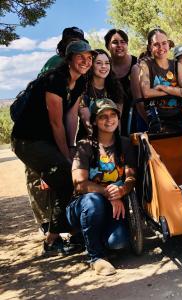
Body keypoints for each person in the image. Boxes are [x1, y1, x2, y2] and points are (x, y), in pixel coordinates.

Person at [11, 40, 96, 255]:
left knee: (66, 179)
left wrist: (71, 147)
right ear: (69, 59)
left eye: (89, 57)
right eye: (80, 57)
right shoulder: (54, 79)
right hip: (27, 140)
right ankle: (54, 239)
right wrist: (66, 156)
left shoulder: (80, 81)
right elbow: (55, 122)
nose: (86, 61)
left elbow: (70, 119)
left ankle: (69, 235)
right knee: (66, 177)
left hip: (46, 141)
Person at [27, 26, 87, 237]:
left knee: (61, 171)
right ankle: (47, 224)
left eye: (78, 41)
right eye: (71, 41)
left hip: (57, 126)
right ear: (64, 46)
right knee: (40, 176)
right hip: (38, 131)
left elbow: (70, 114)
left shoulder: (78, 75)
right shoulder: (56, 65)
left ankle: (62, 223)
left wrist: (69, 146)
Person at [67, 98, 136, 276]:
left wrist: (122, 191)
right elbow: (79, 185)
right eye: (103, 116)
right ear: (95, 121)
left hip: (112, 205)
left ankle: (92, 236)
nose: (109, 119)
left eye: (113, 115)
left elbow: (131, 177)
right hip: (84, 205)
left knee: (118, 243)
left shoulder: (125, 144)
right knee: (93, 201)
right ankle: (95, 257)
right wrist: (108, 193)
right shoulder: (85, 146)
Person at [138, 28, 182, 132]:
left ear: (168, 45)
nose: (161, 47)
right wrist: (176, 91)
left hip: (178, 117)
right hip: (156, 119)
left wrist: (162, 87)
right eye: (156, 44)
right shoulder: (145, 64)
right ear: (150, 47)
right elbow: (147, 93)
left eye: (164, 43)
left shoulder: (176, 65)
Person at [78, 49, 124, 138]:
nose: (104, 66)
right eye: (99, 63)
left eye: (107, 63)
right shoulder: (83, 88)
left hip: (112, 139)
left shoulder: (115, 88)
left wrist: (117, 142)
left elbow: (117, 121)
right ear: (91, 65)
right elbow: (87, 123)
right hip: (88, 139)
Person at [104, 29, 138, 136]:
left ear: (127, 44)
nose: (119, 45)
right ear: (108, 46)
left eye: (122, 42)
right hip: (110, 121)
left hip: (136, 116)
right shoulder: (103, 67)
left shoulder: (137, 64)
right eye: (114, 42)